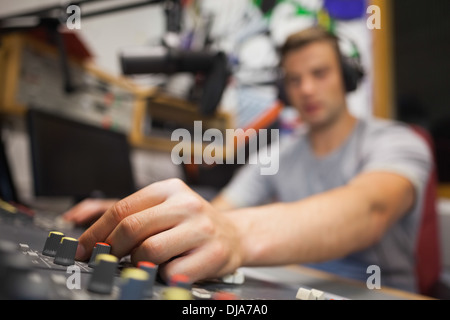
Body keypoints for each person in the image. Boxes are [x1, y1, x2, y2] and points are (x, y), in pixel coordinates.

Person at [65, 26, 432, 293]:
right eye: (294, 79)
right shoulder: (276, 152)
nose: (306, 89)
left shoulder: (397, 142)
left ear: (348, 77)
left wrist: (236, 236)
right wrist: (142, 215)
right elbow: (218, 213)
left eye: (319, 74)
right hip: (293, 288)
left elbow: (370, 211)